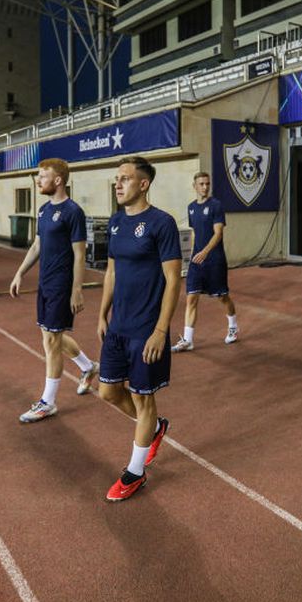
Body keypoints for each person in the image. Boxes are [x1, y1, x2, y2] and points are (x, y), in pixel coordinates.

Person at [97, 156, 181, 501]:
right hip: (117, 326)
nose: (118, 184)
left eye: (125, 179)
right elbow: (111, 272)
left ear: (143, 184)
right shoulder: (116, 222)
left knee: (143, 398)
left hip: (146, 330)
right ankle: (156, 428)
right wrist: (102, 314)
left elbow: (173, 279)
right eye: (117, 178)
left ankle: (134, 473)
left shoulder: (162, 223)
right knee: (108, 392)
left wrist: (161, 331)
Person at [9, 158, 98, 423]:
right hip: (44, 282)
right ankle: (88, 366)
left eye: (42, 176)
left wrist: (77, 290)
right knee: (49, 337)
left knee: (51, 342)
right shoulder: (44, 210)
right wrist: (19, 272)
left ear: (58, 180)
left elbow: (80, 254)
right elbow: (37, 246)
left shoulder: (73, 212)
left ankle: (48, 402)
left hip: (62, 284)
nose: (38, 180)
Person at [172, 171, 238, 352]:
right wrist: (194, 255)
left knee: (222, 297)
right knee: (191, 298)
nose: (205, 187)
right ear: (194, 186)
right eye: (201, 184)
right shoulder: (191, 207)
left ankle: (233, 326)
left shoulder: (216, 206)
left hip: (214, 260)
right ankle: (188, 340)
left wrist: (205, 252)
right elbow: (195, 233)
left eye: (207, 184)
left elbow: (218, 233)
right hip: (197, 261)